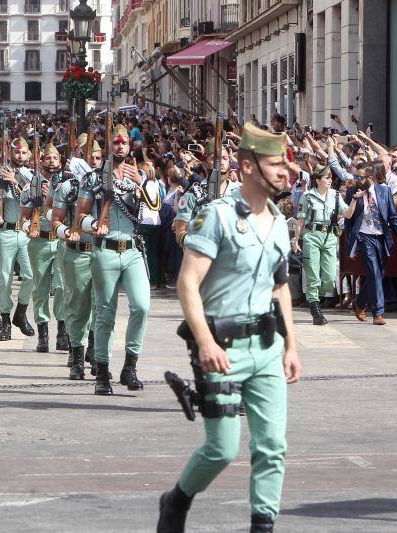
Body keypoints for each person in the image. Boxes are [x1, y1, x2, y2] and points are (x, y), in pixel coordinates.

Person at [158, 123, 301, 533]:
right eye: (275, 164)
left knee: (273, 447)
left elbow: (280, 288)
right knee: (221, 450)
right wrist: (203, 341)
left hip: (267, 348)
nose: (284, 171)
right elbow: (187, 283)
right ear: (247, 167)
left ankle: (263, 526)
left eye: (284, 163)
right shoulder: (216, 216)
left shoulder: (278, 221)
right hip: (222, 349)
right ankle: (177, 500)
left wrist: (291, 345)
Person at [76, 124, 154, 395]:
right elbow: (80, 217)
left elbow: (153, 213)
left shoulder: (139, 175)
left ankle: (130, 366)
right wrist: (94, 223)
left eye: (124, 143)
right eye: (116, 142)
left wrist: (141, 184)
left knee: (142, 306)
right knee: (105, 313)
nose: (120, 146)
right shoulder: (93, 178)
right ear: (108, 145)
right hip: (105, 250)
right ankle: (102, 371)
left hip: (132, 249)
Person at [51, 135, 100, 379]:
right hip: (77, 252)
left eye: (99, 159)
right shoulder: (68, 188)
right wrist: (65, 232)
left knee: (101, 308)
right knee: (78, 306)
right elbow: (56, 221)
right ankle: (77, 356)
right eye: (90, 158)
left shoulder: (109, 186)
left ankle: (95, 352)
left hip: (102, 253)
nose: (94, 163)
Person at [0, 136, 35, 341]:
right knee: (4, 278)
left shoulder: (31, 175)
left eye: (23, 152)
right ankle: (5, 321)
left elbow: (33, 202)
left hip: (24, 232)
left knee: (30, 276)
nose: (20, 155)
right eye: (16, 152)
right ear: (10, 152)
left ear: (29, 154)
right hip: (3, 231)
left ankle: (20, 314)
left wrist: (15, 182)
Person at [342, 159, 397, 325]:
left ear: (372, 177)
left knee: (378, 274)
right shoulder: (352, 192)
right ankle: (378, 312)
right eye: (358, 177)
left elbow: (392, 215)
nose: (359, 181)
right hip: (364, 236)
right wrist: (356, 198)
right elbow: (348, 217)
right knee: (374, 272)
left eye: (363, 177)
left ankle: (360, 303)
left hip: (381, 237)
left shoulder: (384, 191)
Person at [22, 141, 69, 353]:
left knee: (61, 287)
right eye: (48, 158)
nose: (52, 162)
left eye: (55, 158)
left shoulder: (67, 184)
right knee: (40, 289)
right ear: (41, 161)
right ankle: (43, 333)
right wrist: (28, 227)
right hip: (39, 241)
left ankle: (62, 331)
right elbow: (22, 217)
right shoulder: (30, 184)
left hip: (60, 241)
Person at [292, 165, 345, 325]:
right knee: (313, 275)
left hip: (330, 237)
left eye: (331, 177)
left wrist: (356, 200)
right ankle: (316, 310)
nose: (330, 180)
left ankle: (314, 298)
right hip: (312, 236)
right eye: (327, 177)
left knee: (329, 278)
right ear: (317, 180)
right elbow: (300, 220)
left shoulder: (335, 196)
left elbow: (346, 212)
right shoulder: (307, 197)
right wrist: (296, 240)